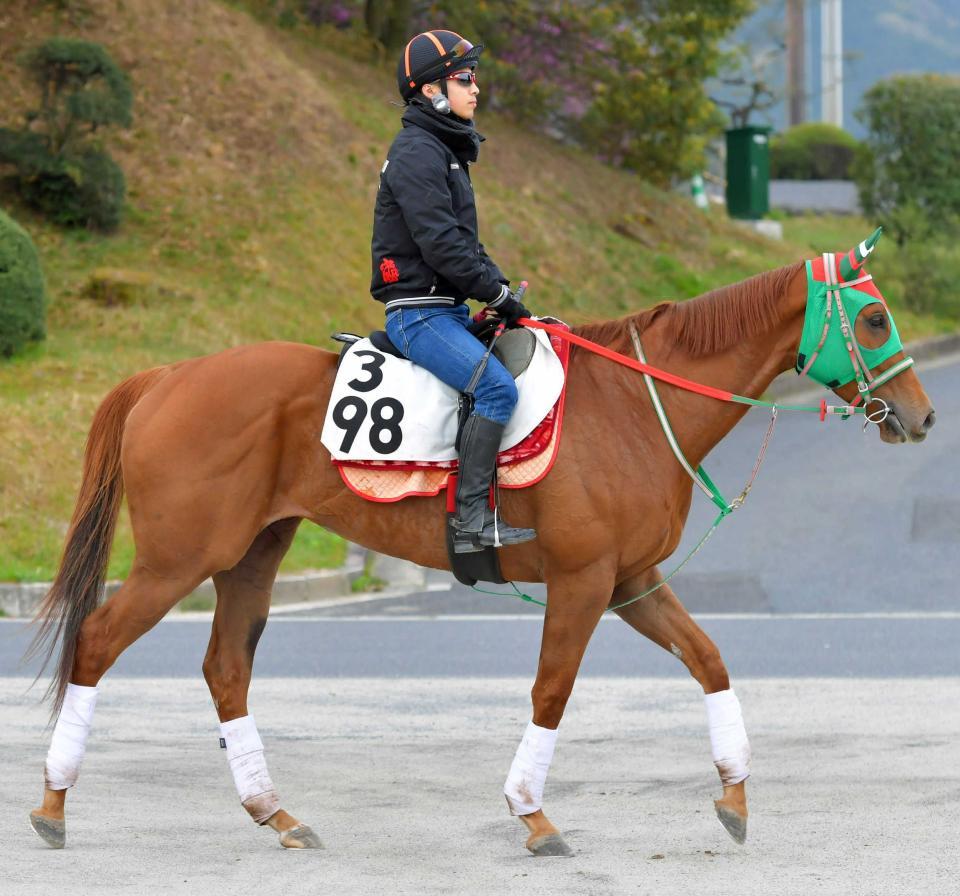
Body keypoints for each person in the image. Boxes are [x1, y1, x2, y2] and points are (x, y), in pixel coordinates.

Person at [370, 29, 537, 554]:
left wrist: (503, 292)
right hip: (418, 316)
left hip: (444, 310)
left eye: (474, 78)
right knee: (496, 390)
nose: (476, 89)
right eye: (464, 79)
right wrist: (496, 294)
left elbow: (465, 244)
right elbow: (441, 245)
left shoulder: (442, 151)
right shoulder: (418, 152)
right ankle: (471, 523)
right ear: (429, 91)